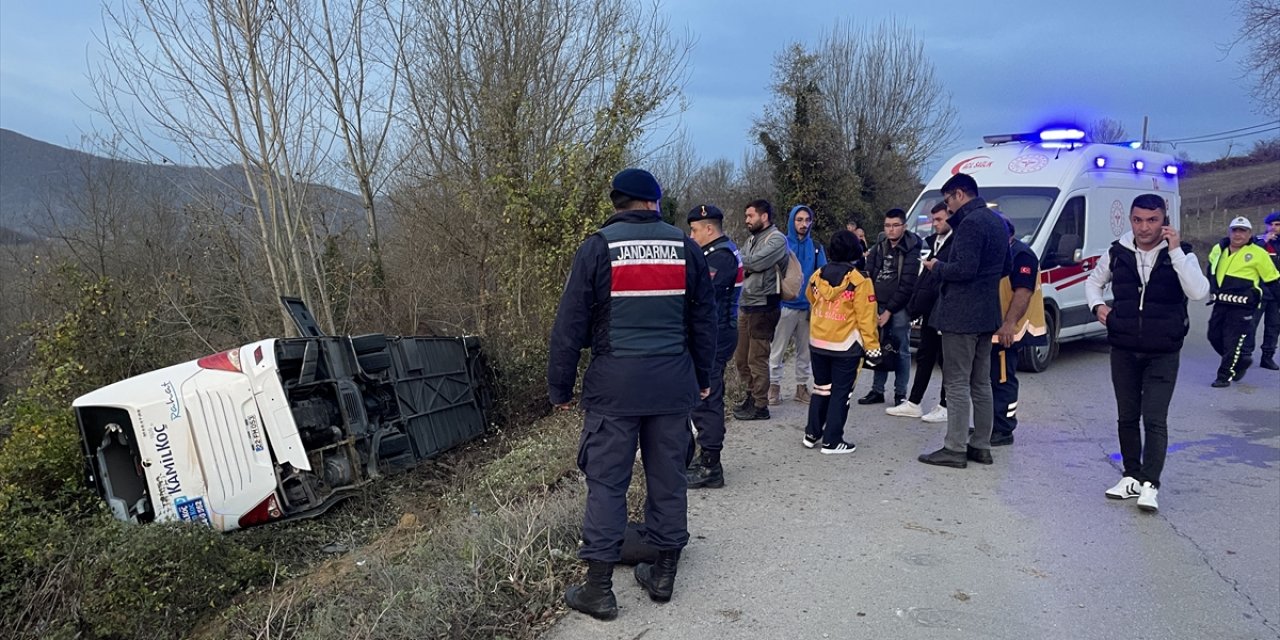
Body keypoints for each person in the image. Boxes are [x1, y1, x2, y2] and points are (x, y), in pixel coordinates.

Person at [548, 168, 716, 618]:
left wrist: (559, 386)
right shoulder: (686, 247)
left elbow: (569, 325)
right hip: (672, 383)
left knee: (606, 483)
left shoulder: (598, 247)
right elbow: (703, 321)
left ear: (617, 202)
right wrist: (704, 376)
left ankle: (598, 590)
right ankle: (662, 576)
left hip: (613, 388)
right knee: (669, 478)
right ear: (655, 203)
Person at [1085, 193, 1210, 512]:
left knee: (1154, 418)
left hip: (1163, 350)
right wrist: (1098, 307)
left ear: (1164, 219)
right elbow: (1093, 282)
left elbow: (1199, 292)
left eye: (1152, 220)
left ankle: (1150, 484)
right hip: (1124, 347)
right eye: (1138, 220)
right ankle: (1131, 476)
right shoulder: (1117, 252)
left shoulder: (1181, 254)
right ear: (1131, 220)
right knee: (1127, 416)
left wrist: (1176, 251)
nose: (1144, 227)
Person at [917, 173, 1007, 469]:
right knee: (981, 382)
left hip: (961, 314)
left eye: (948, 200)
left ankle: (954, 448)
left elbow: (964, 269)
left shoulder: (970, 224)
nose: (948, 207)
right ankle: (981, 445)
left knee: (956, 383)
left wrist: (937, 266)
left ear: (959, 194)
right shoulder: (997, 221)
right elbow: (1005, 266)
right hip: (987, 313)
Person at [803, 230, 880, 453]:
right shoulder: (860, 280)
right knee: (841, 393)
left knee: (821, 388)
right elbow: (867, 318)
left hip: (818, 342)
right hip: (845, 346)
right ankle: (832, 441)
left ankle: (812, 433)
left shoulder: (818, 274)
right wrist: (873, 349)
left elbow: (810, 297)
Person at [686, 204, 743, 489]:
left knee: (707, 397)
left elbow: (701, 297)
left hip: (717, 334)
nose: (692, 236)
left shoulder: (720, 258)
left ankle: (710, 464)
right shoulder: (718, 252)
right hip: (717, 332)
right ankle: (702, 456)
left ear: (709, 229)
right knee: (701, 397)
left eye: (695, 230)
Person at [889, 202, 951, 422]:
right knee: (925, 355)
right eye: (932, 220)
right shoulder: (932, 242)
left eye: (939, 219)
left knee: (946, 360)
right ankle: (914, 402)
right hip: (929, 310)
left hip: (946, 310)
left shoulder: (956, 242)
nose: (934, 224)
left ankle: (945, 405)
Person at [988, 216, 1047, 446]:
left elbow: (1023, 292)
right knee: (993, 378)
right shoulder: (1005, 251)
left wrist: (1009, 324)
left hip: (1010, 329)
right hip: (997, 326)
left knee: (1003, 379)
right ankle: (992, 421)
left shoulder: (1021, 255)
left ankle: (1004, 428)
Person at [1207, 216, 1280, 386]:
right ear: (1229, 232)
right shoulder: (1220, 249)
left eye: (1243, 231)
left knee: (1233, 339)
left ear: (1249, 234)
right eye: (1235, 230)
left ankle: (1224, 376)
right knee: (1213, 336)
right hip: (1221, 301)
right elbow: (1210, 269)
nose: (1238, 234)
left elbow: (1272, 280)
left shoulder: (1258, 253)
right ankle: (1240, 360)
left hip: (1244, 305)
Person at [858, 208, 921, 407]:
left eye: (895, 225)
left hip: (899, 307)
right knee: (879, 347)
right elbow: (868, 273)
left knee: (901, 349)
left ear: (904, 226)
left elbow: (907, 285)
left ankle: (900, 394)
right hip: (877, 303)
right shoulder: (879, 247)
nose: (891, 230)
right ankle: (877, 390)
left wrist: (889, 311)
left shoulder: (912, 248)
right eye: (887, 225)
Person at [733, 199, 788, 420]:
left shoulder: (776, 239)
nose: (747, 220)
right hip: (747, 303)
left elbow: (754, 263)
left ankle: (760, 405)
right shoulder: (752, 239)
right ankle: (750, 396)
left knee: (757, 358)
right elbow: (745, 262)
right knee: (741, 358)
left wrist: (741, 260)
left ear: (764, 216)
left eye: (750, 216)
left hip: (764, 305)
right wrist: (744, 261)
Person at [768, 205, 827, 405]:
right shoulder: (781, 244)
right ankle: (773, 387)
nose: (803, 224)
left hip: (808, 308)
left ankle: (801, 388)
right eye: (799, 220)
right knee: (777, 349)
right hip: (784, 305)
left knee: (805, 351)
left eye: (807, 220)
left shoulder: (817, 247)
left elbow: (823, 276)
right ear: (792, 221)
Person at [1247, 211, 1280, 370]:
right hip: (1259, 291)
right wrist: (1264, 242)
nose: (1273, 228)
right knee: (1251, 324)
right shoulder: (1257, 241)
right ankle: (1245, 356)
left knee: (1274, 326)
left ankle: (1268, 357)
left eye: (1277, 225)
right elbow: (1248, 257)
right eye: (1271, 225)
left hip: (1277, 293)